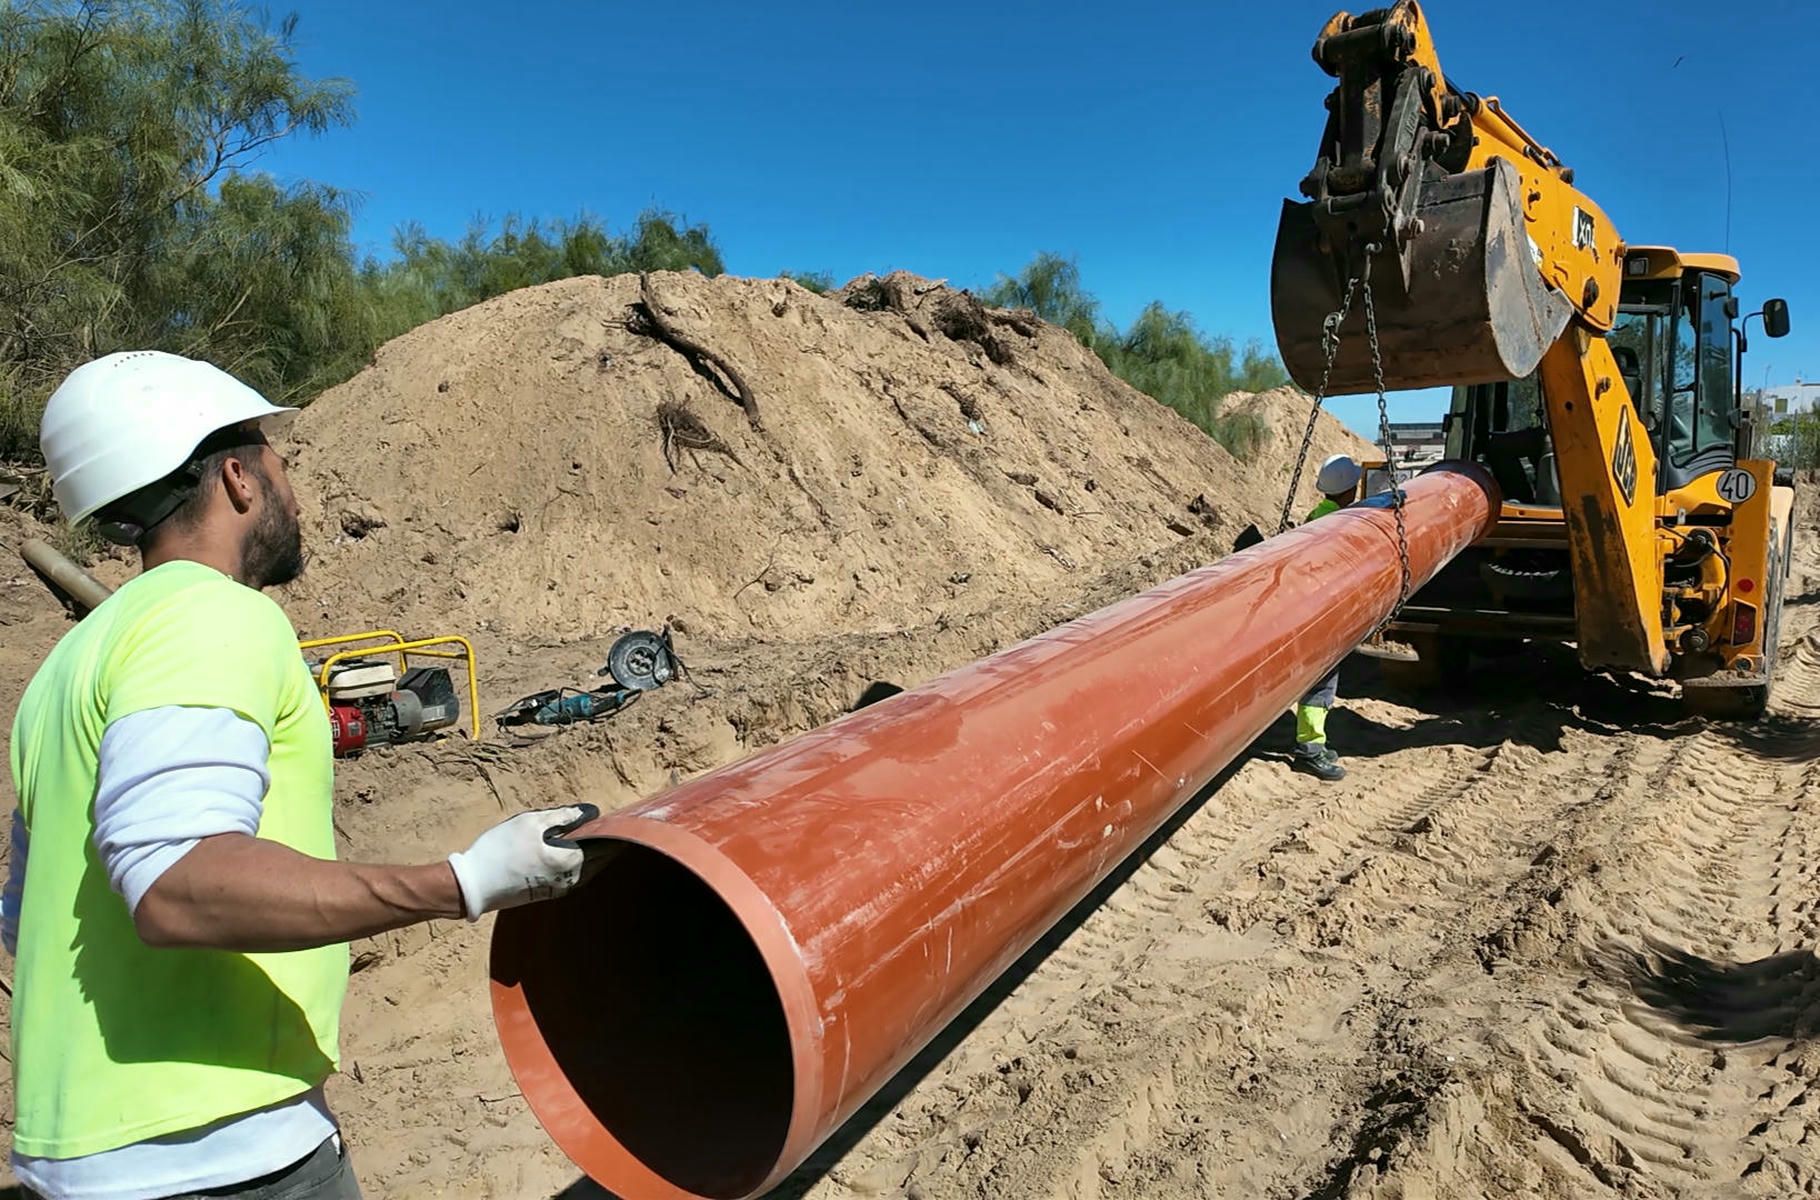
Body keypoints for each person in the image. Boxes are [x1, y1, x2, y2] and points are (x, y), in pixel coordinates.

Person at [4, 351, 598, 1199]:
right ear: (240, 479)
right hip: (217, 1153)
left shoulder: (66, 668)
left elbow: (24, 917)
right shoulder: (212, 614)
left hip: (80, 1152)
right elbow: (174, 881)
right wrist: (467, 880)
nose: (295, 488)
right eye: (283, 462)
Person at [1292, 453, 1363, 782]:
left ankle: (1312, 744)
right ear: (1350, 490)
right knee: (1320, 684)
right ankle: (1310, 750)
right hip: (1324, 614)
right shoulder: (1341, 525)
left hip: (1308, 606)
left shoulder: (1318, 515)